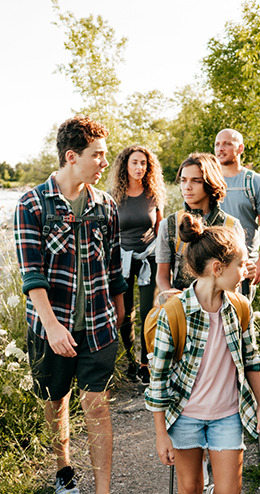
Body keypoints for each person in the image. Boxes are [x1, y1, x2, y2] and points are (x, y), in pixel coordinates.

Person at [14, 115, 128, 494]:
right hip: (50, 328)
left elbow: (114, 267)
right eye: (98, 155)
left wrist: (120, 313)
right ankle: (64, 469)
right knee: (55, 399)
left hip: (98, 326)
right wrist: (53, 327)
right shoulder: (32, 205)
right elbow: (32, 277)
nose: (104, 162)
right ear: (72, 156)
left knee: (96, 405)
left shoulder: (106, 206)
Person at [145, 213, 260, 494]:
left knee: (229, 490)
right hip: (184, 417)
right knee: (188, 489)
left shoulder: (239, 307)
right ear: (218, 268)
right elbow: (159, 379)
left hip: (227, 414)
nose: (243, 273)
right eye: (240, 267)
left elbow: (251, 360)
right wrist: (160, 432)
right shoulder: (173, 314)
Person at [107, 145, 165, 385]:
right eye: (135, 163)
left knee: (148, 312)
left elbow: (160, 230)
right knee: (125, 312)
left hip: (149, 259)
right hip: (122, 261)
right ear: (125, 166)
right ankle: (130, 360)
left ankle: (145, 363)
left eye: (143, 163)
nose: (139, 167)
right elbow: (108, 232)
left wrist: (165, 262)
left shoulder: (154, 194)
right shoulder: (112, 196)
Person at [156, 153, 254, 294]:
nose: (187, 187)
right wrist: (172, 297)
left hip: (220, 307)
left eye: (196, 181)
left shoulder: (231, 225)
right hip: (182, 307)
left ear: (210, 182)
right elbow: (162, 275)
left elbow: (238, 278)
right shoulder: (170, 224)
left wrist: (247, 274)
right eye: (183, 180)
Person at [214, 129, 260, 297]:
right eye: (217, 144)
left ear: (240, 149)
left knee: (241, 317)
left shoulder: (255, 182)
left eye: (227, 144)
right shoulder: (208, 181)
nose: (221, 148)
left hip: (243, 266)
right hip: (212, 265)